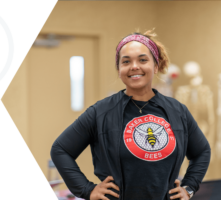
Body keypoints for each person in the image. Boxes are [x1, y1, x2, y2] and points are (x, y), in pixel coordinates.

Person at [50, 29, 211, 200]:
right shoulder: (100, 112)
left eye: (142, 60)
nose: (134, 66)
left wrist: (189, 188)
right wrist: (87, 190)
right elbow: (61, 149)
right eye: (126, 62)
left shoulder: (178, 111)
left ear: (156, 66)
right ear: (119, 69)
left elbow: (202, 151)